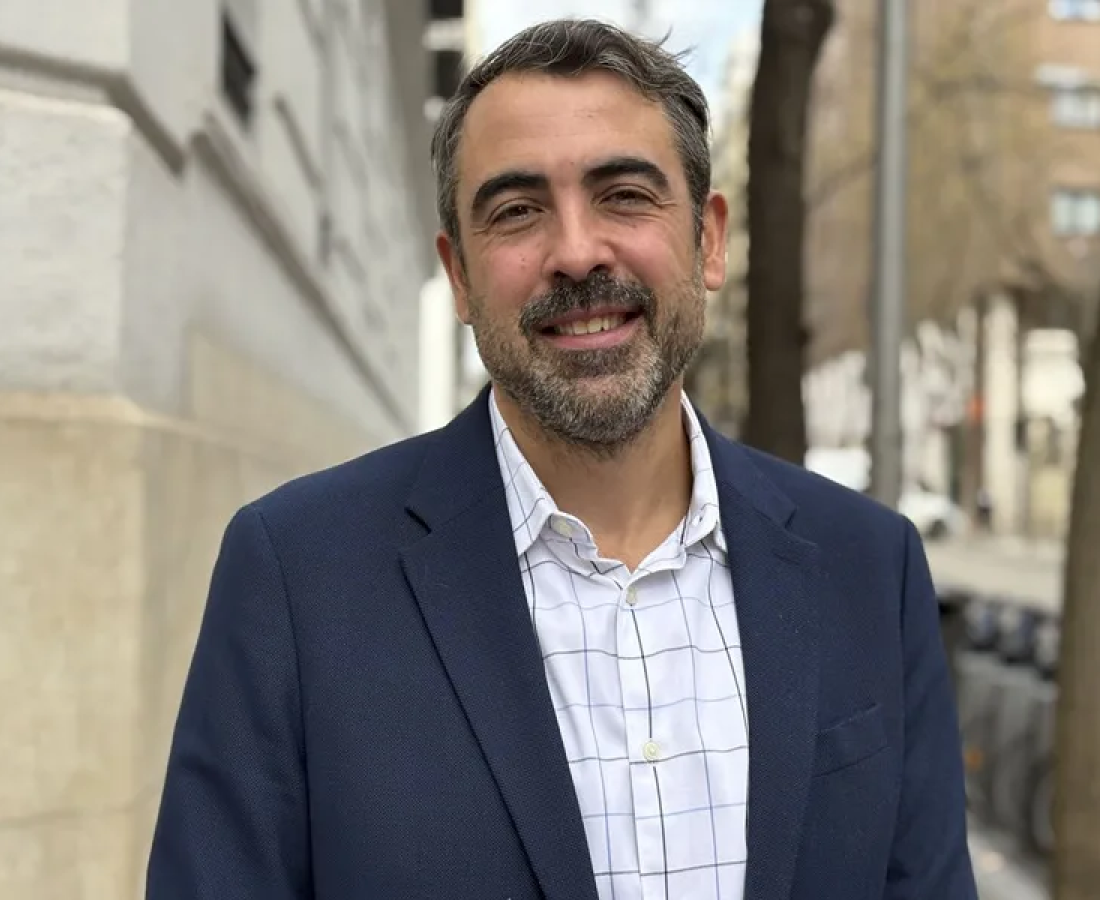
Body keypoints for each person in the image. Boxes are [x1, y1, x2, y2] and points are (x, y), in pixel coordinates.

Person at [145, 18, 976, 900]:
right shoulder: (298, 578)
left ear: (709, 241)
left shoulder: (868, 570)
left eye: (624, 195)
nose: (577, 252)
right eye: (517, 211)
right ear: (459, 277)